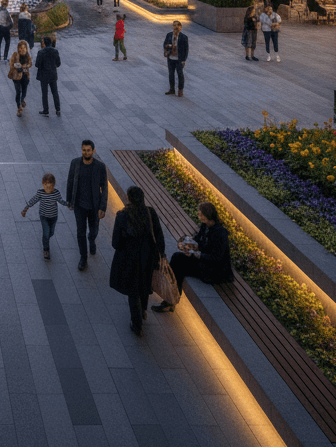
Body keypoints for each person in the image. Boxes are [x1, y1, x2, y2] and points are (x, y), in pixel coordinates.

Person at [152, 202, 233, 312]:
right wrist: (188, 246)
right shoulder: (205, 226)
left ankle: (170, 300)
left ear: (207, 215)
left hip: (213, 269)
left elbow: (217, 258)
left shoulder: (220, 233)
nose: (198, 216)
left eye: (200, 214)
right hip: (202, 259)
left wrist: (196, 254)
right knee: (176, 257)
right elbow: (198, 239)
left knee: (179, 267)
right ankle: (170, 297)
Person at [109, 185, 165, 336]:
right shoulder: (150, 212)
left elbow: (115, 242)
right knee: (144, 285)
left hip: (129, 259)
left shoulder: (122, 216)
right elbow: (159, 235)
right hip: (147, 258)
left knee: (133, 291)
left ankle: (137, 323)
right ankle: (144, 311)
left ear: (128, 198)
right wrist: (161, 254)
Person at [66, 141, 107, 271]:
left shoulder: (100, 166)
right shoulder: (75, 163)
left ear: (93, 151)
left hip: (95, 206)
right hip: (79, 206)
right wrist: (69, 201)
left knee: (94, 230)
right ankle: (83, 258)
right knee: (80, 232)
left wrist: (103, 207)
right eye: (84, 150)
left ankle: (92, 240)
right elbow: (70, 182)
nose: (86, 152)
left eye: (89, 150)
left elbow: (104, 188)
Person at [21, 172, 70, 260]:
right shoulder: (41, 193)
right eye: (46, 186)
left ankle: (45, 238)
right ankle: (46, 249)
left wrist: (68, 204)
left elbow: (61, 201)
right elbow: (34, 200)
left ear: (54, 185)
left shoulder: (56, 193)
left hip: (54, 216)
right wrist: (26, 208)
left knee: (51, 232)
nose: (48, 189)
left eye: (50, 187)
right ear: (43, 185)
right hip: (44, 216)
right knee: (46, 232)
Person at [34, 36, 61, 116]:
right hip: (53, 75)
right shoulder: (55, 51)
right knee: (55, 92)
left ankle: (46, 110)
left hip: (43, 76)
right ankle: (58, 109)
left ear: (44, 43)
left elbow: (37, 64)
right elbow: (58, 64)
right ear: (50, 42)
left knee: (44, 93)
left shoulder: (41, 52)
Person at [163, 20, 188, 97]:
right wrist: (168, 47)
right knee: (171, 74)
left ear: (180, 27)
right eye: (174, 25)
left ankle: (180, 90)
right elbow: (164, 44)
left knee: (180, 74)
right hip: (170, 58)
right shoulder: (169, 35)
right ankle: (172, 90)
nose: (175, 27)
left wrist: (184, 60)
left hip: (179, 59)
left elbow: (186, 49)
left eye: (177, 25)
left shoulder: (184, 37)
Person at [9, 40, 32, 117]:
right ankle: (19, 107)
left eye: (24, 48)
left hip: (25, 75)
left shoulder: (27, 55)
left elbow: (30, 64)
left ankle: (22, 100)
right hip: (16, 76)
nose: (22, 49)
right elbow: (11, 63)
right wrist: (16, 65)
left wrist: (25, 66)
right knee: (18, 91)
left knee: (24, 91)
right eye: (21, 48)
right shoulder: (15, 55)